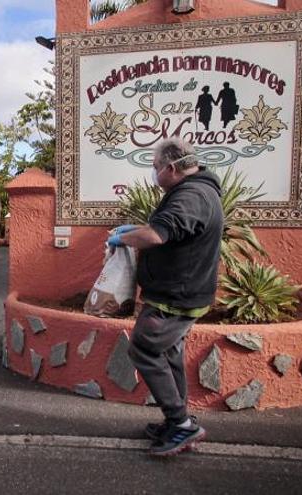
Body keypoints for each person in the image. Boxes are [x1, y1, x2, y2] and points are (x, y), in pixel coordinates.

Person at [107, 137, 223, 456]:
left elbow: (157, 234)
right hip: (183, 292)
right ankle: (177, 421)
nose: (154, 173)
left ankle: (182, 424)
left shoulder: (191, 196)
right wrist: (136, 230)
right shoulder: (198, 191)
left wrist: (123, 238)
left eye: (156, 167)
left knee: (144, 349)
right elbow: (171, 230)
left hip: (175, 297)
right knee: (169, 355)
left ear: (171, 168)